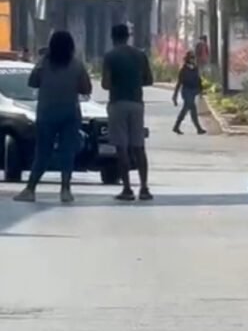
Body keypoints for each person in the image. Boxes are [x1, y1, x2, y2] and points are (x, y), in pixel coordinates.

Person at [13, 31, 92, 204]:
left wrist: (43, 60)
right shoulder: (76, 65)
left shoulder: (45, 64)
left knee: (42, 152)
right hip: (70, 113)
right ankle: (65, 189)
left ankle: (30, 188)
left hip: (46, 113)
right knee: (67, 152)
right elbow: (86, 88)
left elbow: (32, 82)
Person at [103, 23, 154, 202]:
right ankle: (145, 187)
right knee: (139, 147)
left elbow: (105, 84)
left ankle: (127, 188)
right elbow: (149, 80)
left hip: (118, 103)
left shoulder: (110, 56)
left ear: (113, 37)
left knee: (122, 149)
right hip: (136, 103)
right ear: (128, 36)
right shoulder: (140, 55)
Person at [172, 51, 206, 135]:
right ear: (187, 59)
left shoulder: (195, 68)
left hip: (193, 91)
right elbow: (179, 83)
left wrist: (201, 90)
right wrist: (175, 95)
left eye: (193, 58)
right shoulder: (183, 69)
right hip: (186, 91)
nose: (193, 59)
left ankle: (177, 127)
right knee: (188, 108)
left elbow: (198, 80)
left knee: (190, 109)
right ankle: (197, 128)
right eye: (191, 58)